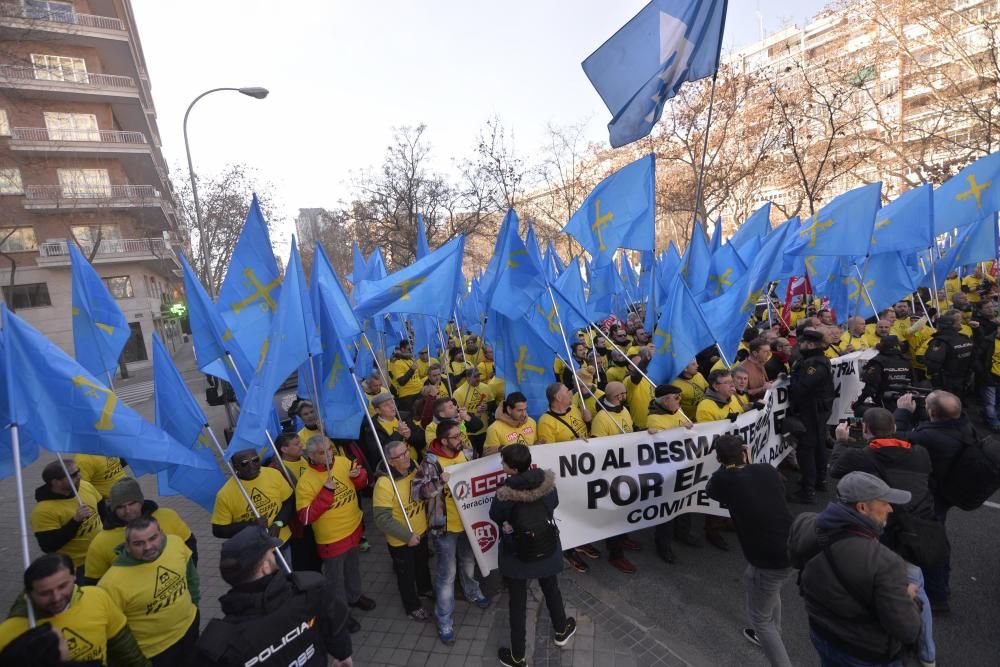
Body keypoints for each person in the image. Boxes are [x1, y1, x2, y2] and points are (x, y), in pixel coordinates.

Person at [828, 408, 940, 666]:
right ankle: (927, 654)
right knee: (916, 588)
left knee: (878, 586)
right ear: (893, 429)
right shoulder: (920, 453)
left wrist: (842, 441)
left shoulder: (861, 456)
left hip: (880, 533)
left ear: (865, 429)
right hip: (914, 533)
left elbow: (835, 469)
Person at [788, 472, 922, 666]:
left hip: (820, 632)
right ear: (862, 507)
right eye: (884, 502)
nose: (890, 508)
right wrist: (910, 599)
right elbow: (907, 630)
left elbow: (795, 561)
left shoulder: (803, 523)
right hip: (864, 652)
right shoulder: (886, 563)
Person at [195, 526, 353, 667]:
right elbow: (335, 626)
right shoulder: (310, 592)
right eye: (271, 553)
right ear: (264, 567)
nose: (275, 555)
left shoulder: (218, 645)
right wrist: (343, 654)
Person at [706, 435, 795, 667]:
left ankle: (771, 640)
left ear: (718, 458)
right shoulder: (765, 469)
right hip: (792, 547)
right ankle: (774, 632)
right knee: (762, 586)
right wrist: (748, 460)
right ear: (744, 452)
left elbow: (713, 490)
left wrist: (729, 465)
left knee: (760, 618)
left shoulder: (722, 479)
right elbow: (760, 477)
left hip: (768, 558)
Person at [489, 444, 577, 667]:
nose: (502, 465)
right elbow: (553, 504)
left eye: (504, 463)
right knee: (551, 588)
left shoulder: (504, 495)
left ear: (514, 469)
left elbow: (495, 516)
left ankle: (518, 657)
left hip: (517, 554)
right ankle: (561, 629)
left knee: (517, 604)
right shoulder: (547, 484)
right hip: (546, 547)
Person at [412, 419, 491, 645]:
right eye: (456, 437)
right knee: (447, 576)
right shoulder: (430, 463)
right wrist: (439, 482)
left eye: (461, 435)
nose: (461, 439)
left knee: (468, 562)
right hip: (444, 529)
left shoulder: (466, 452)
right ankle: (444, 620)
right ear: (443, 440)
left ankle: (472, 591)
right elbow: (418, 493)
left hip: (468, 523)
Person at [894, 390, 972, 613]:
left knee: (929, 541)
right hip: (948, 489)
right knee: (936, 536)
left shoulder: (928, 437)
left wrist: (902, 412)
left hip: (932, 495)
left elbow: (897, 440)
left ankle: (936, 595)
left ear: (930, 412)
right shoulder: (963, 426)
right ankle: (938, 589)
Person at [0, 553, 148, 666]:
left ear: (74, 577)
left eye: (62, 586)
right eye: (45, 593)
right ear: (29, 593)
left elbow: (124, 648)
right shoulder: (8, 633)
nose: (56, 597)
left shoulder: (97, 597)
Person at [295, 435, 372, 633]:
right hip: (332, 539)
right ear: (311, 455)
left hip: (354, 528)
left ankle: (354, 596)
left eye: (330, 449)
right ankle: (341, 614)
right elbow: (304, 517)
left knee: (353, 568)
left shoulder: (343, 462)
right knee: (335, 580)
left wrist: (358, 476)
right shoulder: (306, 482)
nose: (329, 454)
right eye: (323, 452)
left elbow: (361, 484)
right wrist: (326, 493)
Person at [98, 517, 199, 666]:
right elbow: (111, 633)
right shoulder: (111, 584)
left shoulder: (175, 543)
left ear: (162, 533)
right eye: (139, 543)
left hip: (190, 630)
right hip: (155, 653)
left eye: (153, 538)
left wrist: (195, 606)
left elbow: (191, 576)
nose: (148, 547)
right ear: (127, 546)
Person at [83, 477, 195, 584]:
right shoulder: (101, 542)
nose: (127, 511)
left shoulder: (168, 516)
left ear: (141, 502)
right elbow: (93, 583)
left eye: (132, 504)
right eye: (120, 507)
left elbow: (190, 545)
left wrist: (186, 580)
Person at [536, 383, 598, 572]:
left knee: (584, 508)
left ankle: (583, 541)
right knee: (567, 513)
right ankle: (569, 549)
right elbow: (549, 453)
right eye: (566, 391)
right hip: (565, 477)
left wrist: (588, 421)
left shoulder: (575, 409)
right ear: (557, 398)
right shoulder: (546, 422)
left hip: (584, 472)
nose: (570, 393)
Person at [372, 440, 432, 621]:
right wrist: (406, 536)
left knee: (422, 565)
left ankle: (425, 589)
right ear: (391, 461)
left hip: (421, 531)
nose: (408, 456)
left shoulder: (412, 465)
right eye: (401, 455)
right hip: (402, 540)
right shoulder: (384, 483)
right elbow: (381, 519)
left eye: (406, 451)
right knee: (406, 575)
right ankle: (412, 606)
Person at [588, 381, 641, 573]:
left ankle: (623, 537)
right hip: (611, 474)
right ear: (618, 396)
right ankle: (615, 553)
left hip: (626, 468)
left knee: (624, 508)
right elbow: (598, 449)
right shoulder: (602, 417)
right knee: (614, 512)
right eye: (624, 394)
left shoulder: (623, 410)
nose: (625, 396)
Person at [211, 448, 294, 560]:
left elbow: (289, 500)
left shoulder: (273, 474)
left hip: (281, 543)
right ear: (235, 466)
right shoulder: (225, 494)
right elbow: (218, 530)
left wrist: (278, 523)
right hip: (253, 551)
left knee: (288, 575)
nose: (252, 466)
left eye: (255, 460)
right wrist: (249, 526)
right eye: (244, 463)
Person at [647, 385, 696, 564]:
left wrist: (688, 428)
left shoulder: (677, 410)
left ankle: (683, 533)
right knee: (666, 510)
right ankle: (663, 544)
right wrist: (680, 432)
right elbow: (663, 445)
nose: (679, 401)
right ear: (665, 400)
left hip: (683, 466)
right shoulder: (654, 419)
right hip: (666, 472)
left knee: (685, 501)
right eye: (676, 398)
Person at [30, 460, 103, 578]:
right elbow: (48, 546)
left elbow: (103, 512)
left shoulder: (85, 486)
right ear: (56, 482)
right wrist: (75, 521)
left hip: (101, 554)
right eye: (73, 475)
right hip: (78, 567)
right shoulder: (43, 511)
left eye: (78, 471)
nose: (79, 475)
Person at [787, 329, 835, 504]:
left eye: (803, 343)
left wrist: (792, 377)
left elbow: (801, 388)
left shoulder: (814, 364)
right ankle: (818, 480)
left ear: (811, 344)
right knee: (817, 446)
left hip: (813, 411)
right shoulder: (814, 360)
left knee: (806, 449)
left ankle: (808, 490)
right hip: (816, 410)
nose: (800, 346)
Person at [924, 314, 974, 398]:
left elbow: (933, 363)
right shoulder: (965, 338)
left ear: (939, 326)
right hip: (963, 379)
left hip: (945, 382)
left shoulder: (940, 341)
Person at [859, 336, 914, 409]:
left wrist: (859, 402)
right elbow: (914, 383)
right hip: (904, 402)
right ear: (897, 346)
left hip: (883, 402)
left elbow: (870, 386)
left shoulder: (877, 361)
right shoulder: (907, 361)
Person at [451, 367, 494, 455]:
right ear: (467, 378)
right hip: (468, 433)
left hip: (484, 429)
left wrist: (487, 406)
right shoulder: (458, 392)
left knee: (485, 455)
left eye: (479, 376)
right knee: (473, 457)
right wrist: (473, 415)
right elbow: (455, 413)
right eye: (475, 377)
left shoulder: (485, 387)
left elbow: (494, 404)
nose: (478, 379)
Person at [388, 340, 423, 412]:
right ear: (402, 349)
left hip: (419, 392)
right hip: (408, 396)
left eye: (412, 349)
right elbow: (402, 382)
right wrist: (412, 369)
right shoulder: (397, 363)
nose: (411, 351)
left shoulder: (411, 359)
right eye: (409, 349)